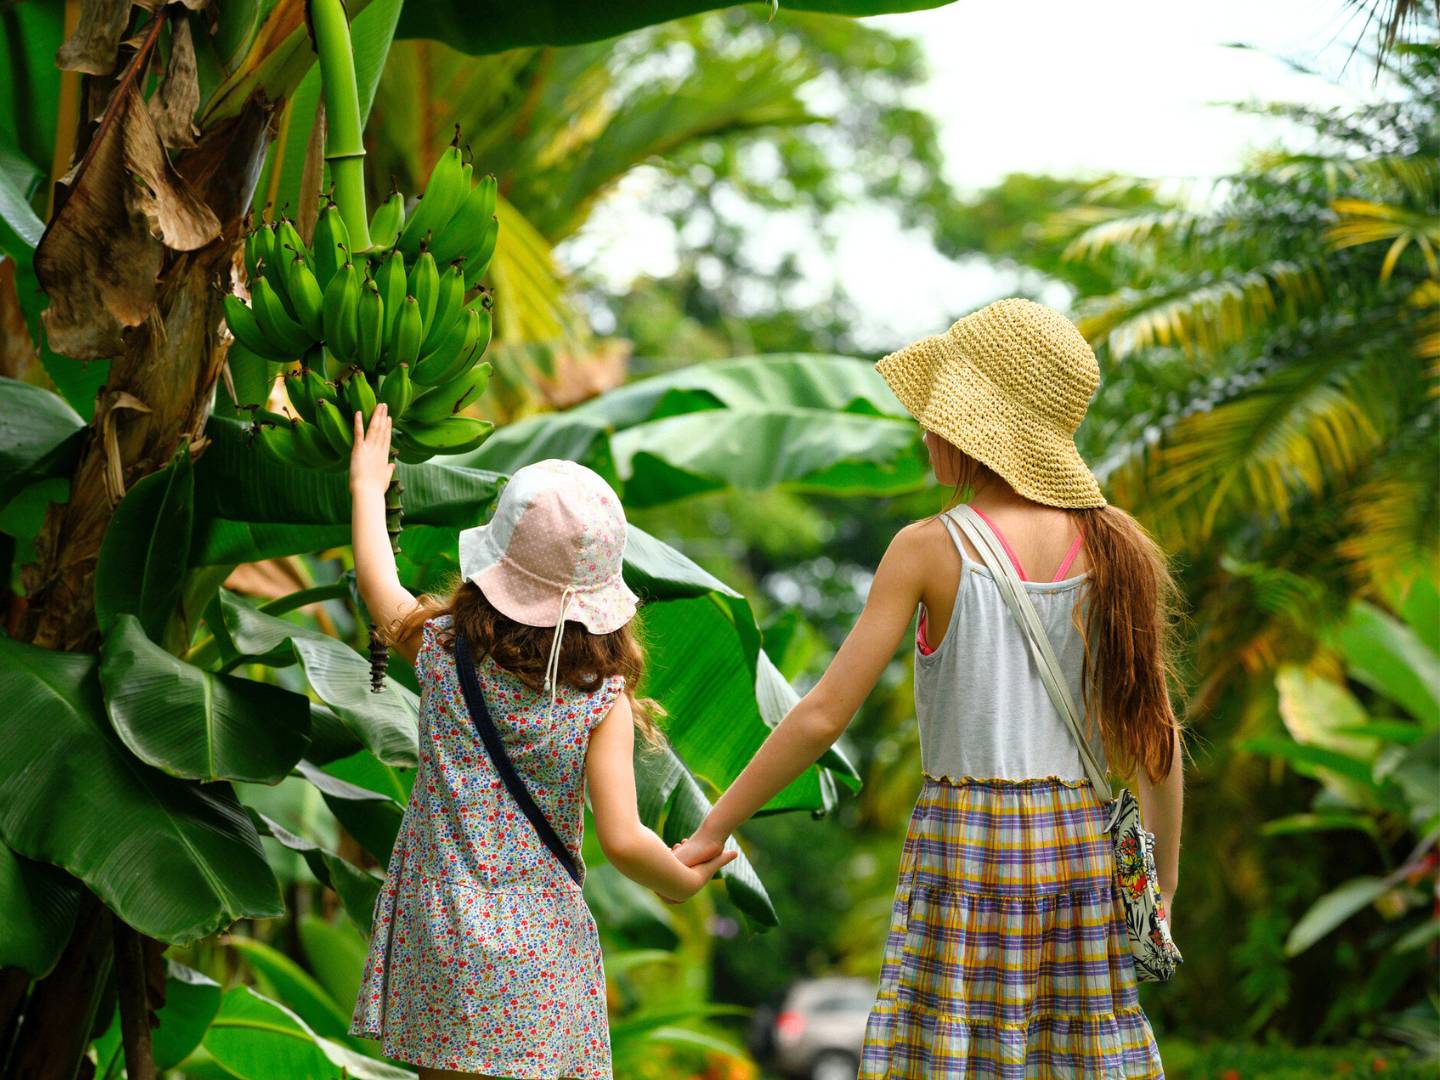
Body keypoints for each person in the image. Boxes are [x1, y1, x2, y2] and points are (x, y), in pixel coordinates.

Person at [674, 298, 1184, 1077]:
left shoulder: (928, 548)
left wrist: (713, 830)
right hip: (1080, 848)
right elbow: (1157, 743)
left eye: (937, 411)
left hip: (968, 844)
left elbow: (820, 717)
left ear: (978, 427)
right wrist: (1162, 888)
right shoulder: (1119, 550)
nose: (924, 428)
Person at [346, 404, 736, 1080]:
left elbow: (379, 586)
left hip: (440, 939)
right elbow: (622, 837)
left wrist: (364, 491)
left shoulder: (443, 652)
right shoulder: (601, 702)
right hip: (540, 953)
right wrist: (677, 877)